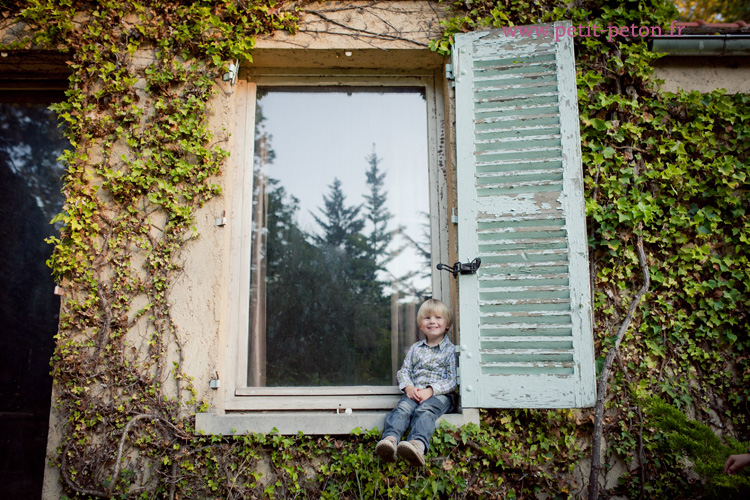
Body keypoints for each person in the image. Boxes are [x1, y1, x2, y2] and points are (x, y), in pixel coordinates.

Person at [375, 298, 457, 467]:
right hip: (415, 392)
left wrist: (431, 390)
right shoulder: (415, 349)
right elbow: (404, 371)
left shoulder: (450, 350)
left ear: (447, 325)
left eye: (438, 318)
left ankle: (417, 445)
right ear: (421, 325)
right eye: (427, 318)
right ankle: (390, 440)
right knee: (403, 408)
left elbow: (452, 380)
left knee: (425, 410)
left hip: (440, 396)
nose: (432, 321)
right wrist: (409, 387)